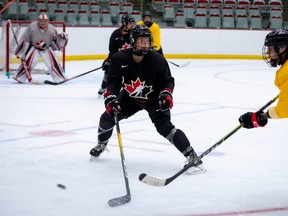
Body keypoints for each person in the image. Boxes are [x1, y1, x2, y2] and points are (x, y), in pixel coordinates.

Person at [90, 24, 205, 174]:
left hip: (154, 98)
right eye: (141, 41)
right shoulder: (119, 58)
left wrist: (166, 93)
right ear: (133, 41)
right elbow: (113, 82)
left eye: (147, 41)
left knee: (165, 127)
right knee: (106, 118)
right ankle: (101, 144)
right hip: (130, 96)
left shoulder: (157, 59)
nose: (145, 44)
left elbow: (168, 80)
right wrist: (110, 97)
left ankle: (193, 158)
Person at [239, 29, 288, 128]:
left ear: (282, 48)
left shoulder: (286, 73)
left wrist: (260, 117)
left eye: (270, 48)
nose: (268, 52)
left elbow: (284, 109)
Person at [13, 13, 68, 84]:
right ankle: (19, 77)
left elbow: (54, 41)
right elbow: (25, 39)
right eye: (41, 21)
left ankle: (60, 78)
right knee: (28, 63)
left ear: (47, 21)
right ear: (38, 20)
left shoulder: (52, 28)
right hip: (34, 48)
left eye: (44, 21)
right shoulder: (32, 26)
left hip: (47, 48)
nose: (43, 23)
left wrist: (61, 42)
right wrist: (20, 52)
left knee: (53, 63)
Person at [98, 14, 135, 96]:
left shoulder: (133, 34)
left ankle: (129, 89)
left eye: (133, 23)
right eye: (130, 23)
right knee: (108, 70)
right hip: (116, 57)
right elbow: (111, 49)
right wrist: (110, 60)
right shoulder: (116, 34)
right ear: (125, 23)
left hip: (129, 59)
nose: (132, 25)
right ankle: (104, 86)